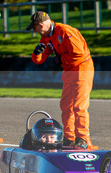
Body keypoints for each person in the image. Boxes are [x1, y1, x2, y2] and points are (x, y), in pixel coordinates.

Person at [27, 11, 95, 149]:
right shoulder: (46, 37)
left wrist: (60, 59)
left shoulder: (65, 31)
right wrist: (36, 53)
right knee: (66, 105)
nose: (35, 32)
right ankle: (69, 138)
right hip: (68, 70)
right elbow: (39, 60)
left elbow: (79, 54)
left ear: (41, 25)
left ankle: (82, 139)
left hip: (82, 69)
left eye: (35, 28)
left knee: (79, 106)